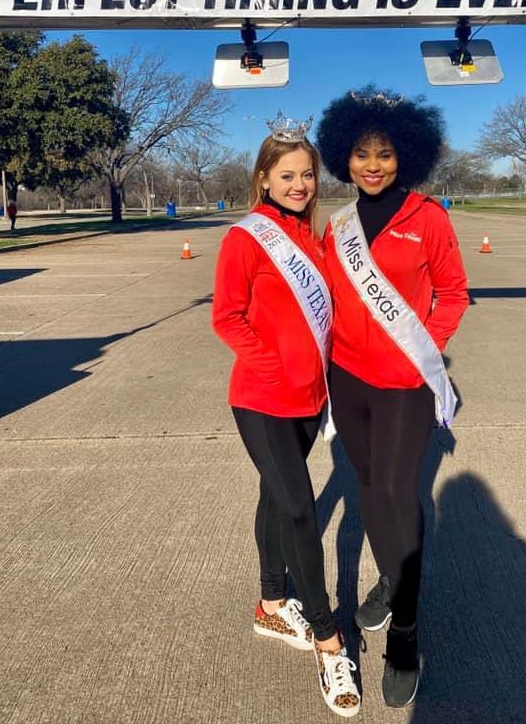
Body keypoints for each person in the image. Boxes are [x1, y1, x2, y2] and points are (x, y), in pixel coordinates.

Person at [316, 87, 469, 708]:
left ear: (404, 156)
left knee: (401, 495)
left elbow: (454, 293)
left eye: (383, 153)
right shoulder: (339, 226)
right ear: (343, 158)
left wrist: (423, 350)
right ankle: (388, 578)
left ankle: (404, 634)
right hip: (348, 380)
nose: (372, 164)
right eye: (360, 153)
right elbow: (324, 298)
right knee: (370, 487)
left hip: (405, 385)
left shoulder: (428, 218)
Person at [212, 113, 360, 719]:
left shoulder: (314, 240)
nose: (299, 185)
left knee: (277, 498)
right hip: (263, 398)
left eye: (307, 175)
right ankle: (328, 640)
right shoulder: (246, 237)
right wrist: (274, 367)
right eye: (287, 175)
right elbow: (226, 317)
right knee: (300, 510)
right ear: (264, 179)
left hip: (309, 399)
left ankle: (272, 604)